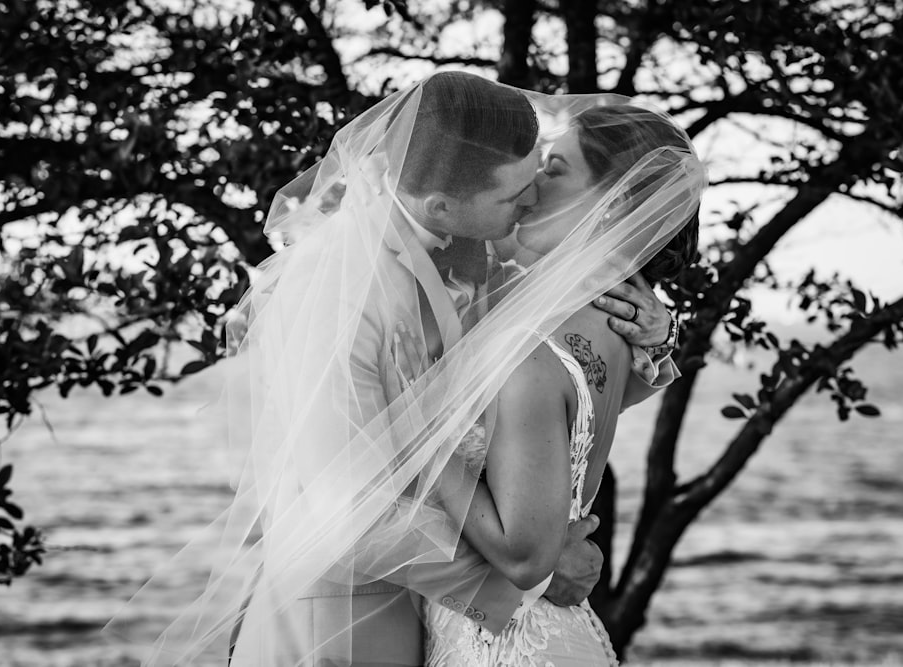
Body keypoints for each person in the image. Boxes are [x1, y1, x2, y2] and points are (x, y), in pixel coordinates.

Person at [106, 72, 692, 666]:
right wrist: (529, 580)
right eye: (516, 191)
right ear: (444, 201)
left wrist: (659, 337)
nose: (530, 198)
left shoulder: (473, 243)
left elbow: (561, 394)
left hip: (430, 627)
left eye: (545, 171)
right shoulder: (340, 293)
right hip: (340, 625)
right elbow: (342, 505)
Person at [407, 102, 703, 665]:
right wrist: (662, 342)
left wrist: (419, 432)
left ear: (614, 203)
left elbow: (524, 555)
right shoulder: (612, 321)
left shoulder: (536, 350)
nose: (531, 181)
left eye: (556, 168)